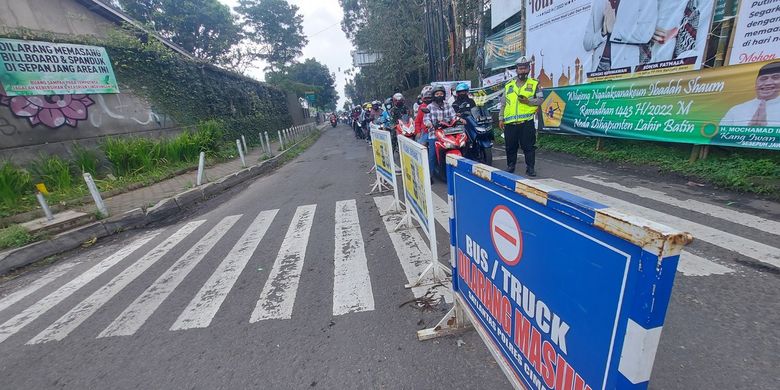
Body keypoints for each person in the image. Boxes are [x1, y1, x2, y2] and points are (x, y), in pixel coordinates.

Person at [499, 56, 543, 176]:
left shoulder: (534, 84)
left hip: (526, 122)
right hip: (510, 123)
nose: (522, 70)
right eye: (520, 68)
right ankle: (511, 165)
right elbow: (503, 103)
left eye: (524, 68)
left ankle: (530, 168)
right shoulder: (509, 86)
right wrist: (501, 118)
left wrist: (528, 102)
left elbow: (540, 100)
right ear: (516, 70)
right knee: (510, 147)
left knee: (529, 147)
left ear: (528, 69)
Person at [720, 61, 780, 127]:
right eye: (763, 78)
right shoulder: (736, 110)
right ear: (756, 83)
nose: (768, 83)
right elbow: (720, 134)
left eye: (775, 77)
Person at [423, 85, 460, 181]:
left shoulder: (447, 105)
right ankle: (429, 176)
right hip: (434, 135)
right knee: (432, 156)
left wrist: (459, 119)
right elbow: (426, 119)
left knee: (461, 145)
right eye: (437, 94)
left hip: (448, 133)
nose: (439, 95)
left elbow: (453, 116)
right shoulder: (429, 107)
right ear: (434, 95)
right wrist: (429, 124)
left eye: (441, 93)